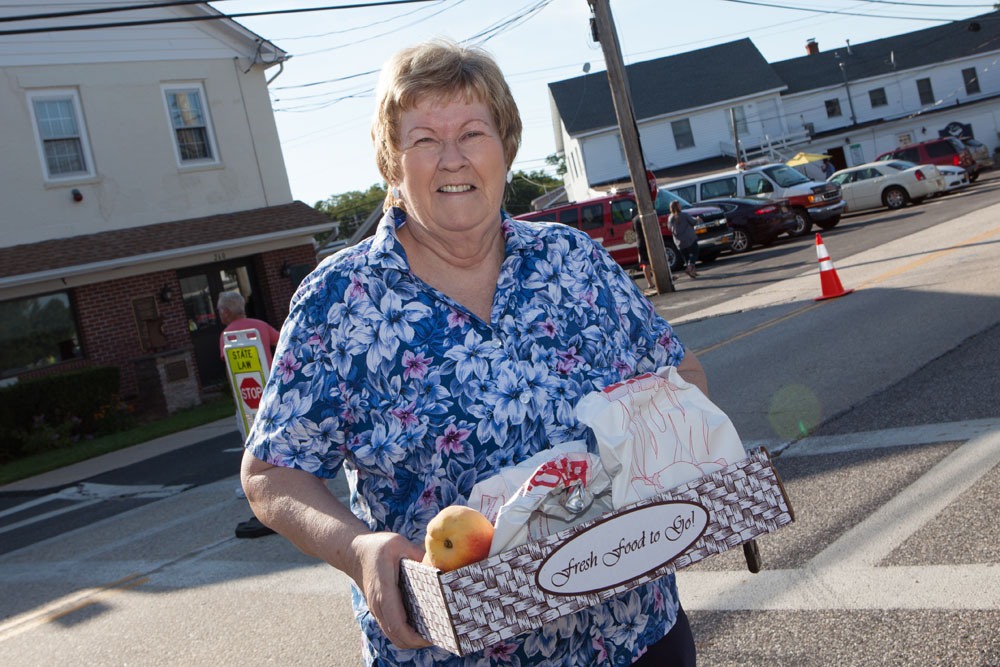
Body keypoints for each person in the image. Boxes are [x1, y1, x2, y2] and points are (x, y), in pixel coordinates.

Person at [240, 40, 707, 666]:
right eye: (424, 139)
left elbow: (679, 374)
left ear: (506, 148)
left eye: (472, 133)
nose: (452, 158)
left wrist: (671, 465)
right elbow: (271, 473)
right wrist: (357, 549)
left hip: (633, 632)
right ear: (391, 163)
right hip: (457, 651)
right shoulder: (339, 301)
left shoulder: (572, 260)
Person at [217, 290, 280, 539]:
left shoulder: (227, 335)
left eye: (220, 309)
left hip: (248, 399)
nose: (219, 313)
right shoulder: (260, 326)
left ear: (226, 311)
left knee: (249, 436)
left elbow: (230, 367)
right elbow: (280, 341)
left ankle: (255, 479)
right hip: (270, 390)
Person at [667, 200, 700, 279]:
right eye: (679, 205)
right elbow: (693, 221)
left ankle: (692, 271)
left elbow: (669, 228)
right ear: (678, 207)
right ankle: (690, 268)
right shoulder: (684, 215)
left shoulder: (670, 218)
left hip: (679, 242)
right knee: (694, 253)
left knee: (686, 257)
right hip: (689, 239)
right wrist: (698, 219)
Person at [632, 213, 655, 290]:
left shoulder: (634, 219)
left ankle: (649, 282)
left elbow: (634, 231)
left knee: (645, 263)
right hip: (647, 241)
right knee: (651, 262)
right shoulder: (645, 217)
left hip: (639, 242)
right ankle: (654, 281)